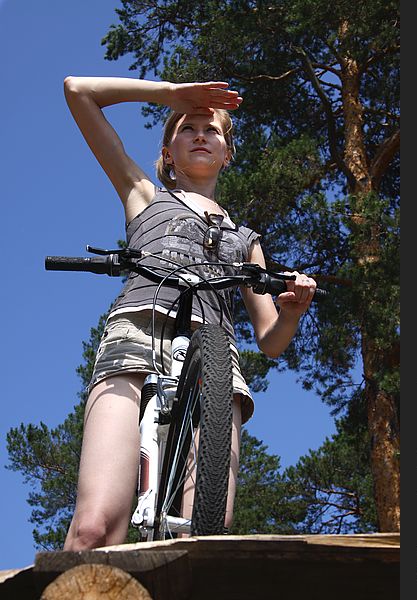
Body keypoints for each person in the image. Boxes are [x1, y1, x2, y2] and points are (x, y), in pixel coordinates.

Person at [61, 77, 317, 551]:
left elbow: (270, 338)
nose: (201, 134)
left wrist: (293, 311)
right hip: (138, 330)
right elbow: (78, 91)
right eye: (187, 127)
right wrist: (169, 94)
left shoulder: (246, 240)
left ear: (228, 153)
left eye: (212, 129)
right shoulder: (144, 195)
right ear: (168, 152)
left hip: (216, 359)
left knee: (207, 537)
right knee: (95, 527)